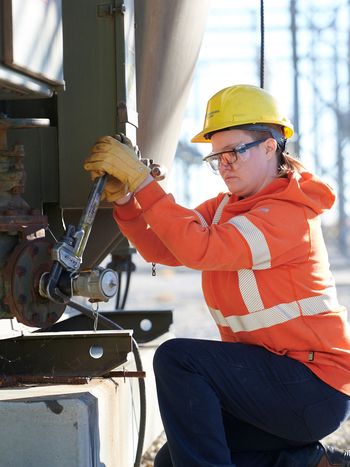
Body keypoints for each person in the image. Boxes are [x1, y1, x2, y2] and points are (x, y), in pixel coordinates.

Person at [84, 84, 350, 467]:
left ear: (269, 147)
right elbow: (165, 247)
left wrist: (144, 183)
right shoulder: (227, 207)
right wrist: (127, 200)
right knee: (172, 460)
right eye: (217, 156)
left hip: (313, 387)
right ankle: (310, 464)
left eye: (233, 152)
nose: (224, 164)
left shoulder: (289, 215)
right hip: (273, 380)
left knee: (179, 360)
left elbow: (200, 248)